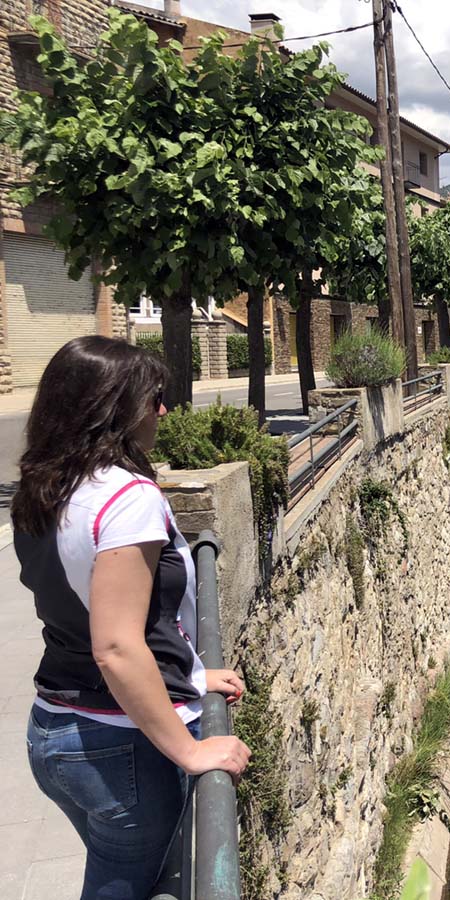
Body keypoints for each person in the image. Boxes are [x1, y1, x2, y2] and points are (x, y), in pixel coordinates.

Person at [13, 336, 251, 900]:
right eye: (154, 398)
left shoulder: (46, 486)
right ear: (113, 408)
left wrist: (191, 675)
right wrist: (191, 751)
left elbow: (89, 606)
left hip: (53, 730)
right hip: (118, 745)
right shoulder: (126, 498)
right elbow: (117, 646)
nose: (163, 410)